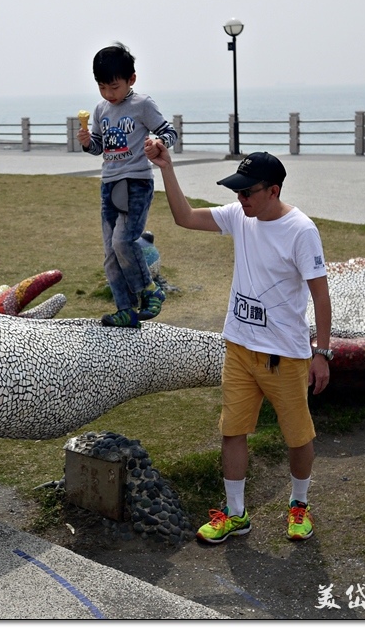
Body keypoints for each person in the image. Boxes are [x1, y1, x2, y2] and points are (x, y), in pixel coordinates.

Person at [143, 141, 332, 542]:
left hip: (286, 356)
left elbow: (320, 295)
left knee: (298, 436)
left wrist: (323, 354)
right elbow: (184, 217)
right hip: (239, 348)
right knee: (233, 430)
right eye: (237, 191)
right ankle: (236, 514)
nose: (240, 198)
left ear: (273, 191)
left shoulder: (301, 231)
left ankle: (299, 505)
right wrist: (167, 168)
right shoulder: (239, 217)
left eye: (247, 191)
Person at [77, 42, 178, 328]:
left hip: (136, 181)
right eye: (102, 87)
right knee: (110, 253)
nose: (109, 94)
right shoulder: (100, 109)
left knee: (123, 241)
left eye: (114, 87)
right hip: (108, 184)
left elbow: (170, 132)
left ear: (131, 79)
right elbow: (100, 147)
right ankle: (126, 309)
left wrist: (158, 142)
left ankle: (149, 289)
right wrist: (87, 144)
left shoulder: (142, 105)